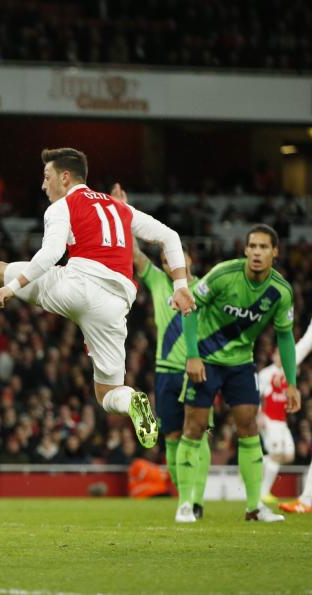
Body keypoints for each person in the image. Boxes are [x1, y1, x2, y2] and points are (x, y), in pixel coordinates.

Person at [0, 147, 195, 451]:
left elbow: (52, 253)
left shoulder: (62, 206)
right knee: (109, 394)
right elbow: (170, 237)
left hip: (77, 283)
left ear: (66, 177)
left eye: (47, 177)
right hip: (115, 304)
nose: (43, 185)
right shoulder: (121, 208)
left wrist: (13, 287)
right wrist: (180, 284)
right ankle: (133, 402)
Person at [176, 224, 300, 523]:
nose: (257, 252)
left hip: (241, 364)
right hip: (205, 360)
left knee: (249, 427)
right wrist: (192, 355)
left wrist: (292, 384)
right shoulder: (223, 274)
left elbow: (285, 337)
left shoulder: (281, 291)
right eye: (253, 246)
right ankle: (184, 504)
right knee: (195, 427)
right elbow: (189, 306)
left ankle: (255, 507)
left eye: (263, 247)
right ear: (245, 250)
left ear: (275, 252)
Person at [126, 185, 210, 519]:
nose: (167, 263)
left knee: (198, 434)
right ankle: (185, 498)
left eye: (172, 258)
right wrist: (123, 213)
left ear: (188, 259)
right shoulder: (161, 282)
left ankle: (195, 500)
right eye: (163, 259)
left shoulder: (206, 288)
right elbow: (134, 255)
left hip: (198, 371)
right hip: (165, 372)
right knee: (173, 437)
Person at [259, 319, 312, 507]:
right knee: (277, 453)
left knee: (288, 455)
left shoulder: (290, 374)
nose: (281, 358)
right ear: (273, 356)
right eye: (279, 355)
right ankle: (264, 493)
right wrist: (259, 416)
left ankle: (255, 463)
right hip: (269, 419)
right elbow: (258, 396)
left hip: (282, 421)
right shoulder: (267, 374)